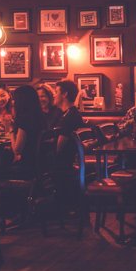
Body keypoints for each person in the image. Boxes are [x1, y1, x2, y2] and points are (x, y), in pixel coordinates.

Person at [53, 79, 86, 212]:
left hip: (63, 164)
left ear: (64, 94)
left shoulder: (69, 117)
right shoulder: (69, 114)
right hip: (67, 162)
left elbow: (58, 148)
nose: (54, 95)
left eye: (56, 92)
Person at [9, 85, 44, 179]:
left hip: (27, 167)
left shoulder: (25, 120)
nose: (13, 102)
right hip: (40, 165)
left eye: (14, 99)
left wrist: (11, 130)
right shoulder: (40, 117)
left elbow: (17, 150)